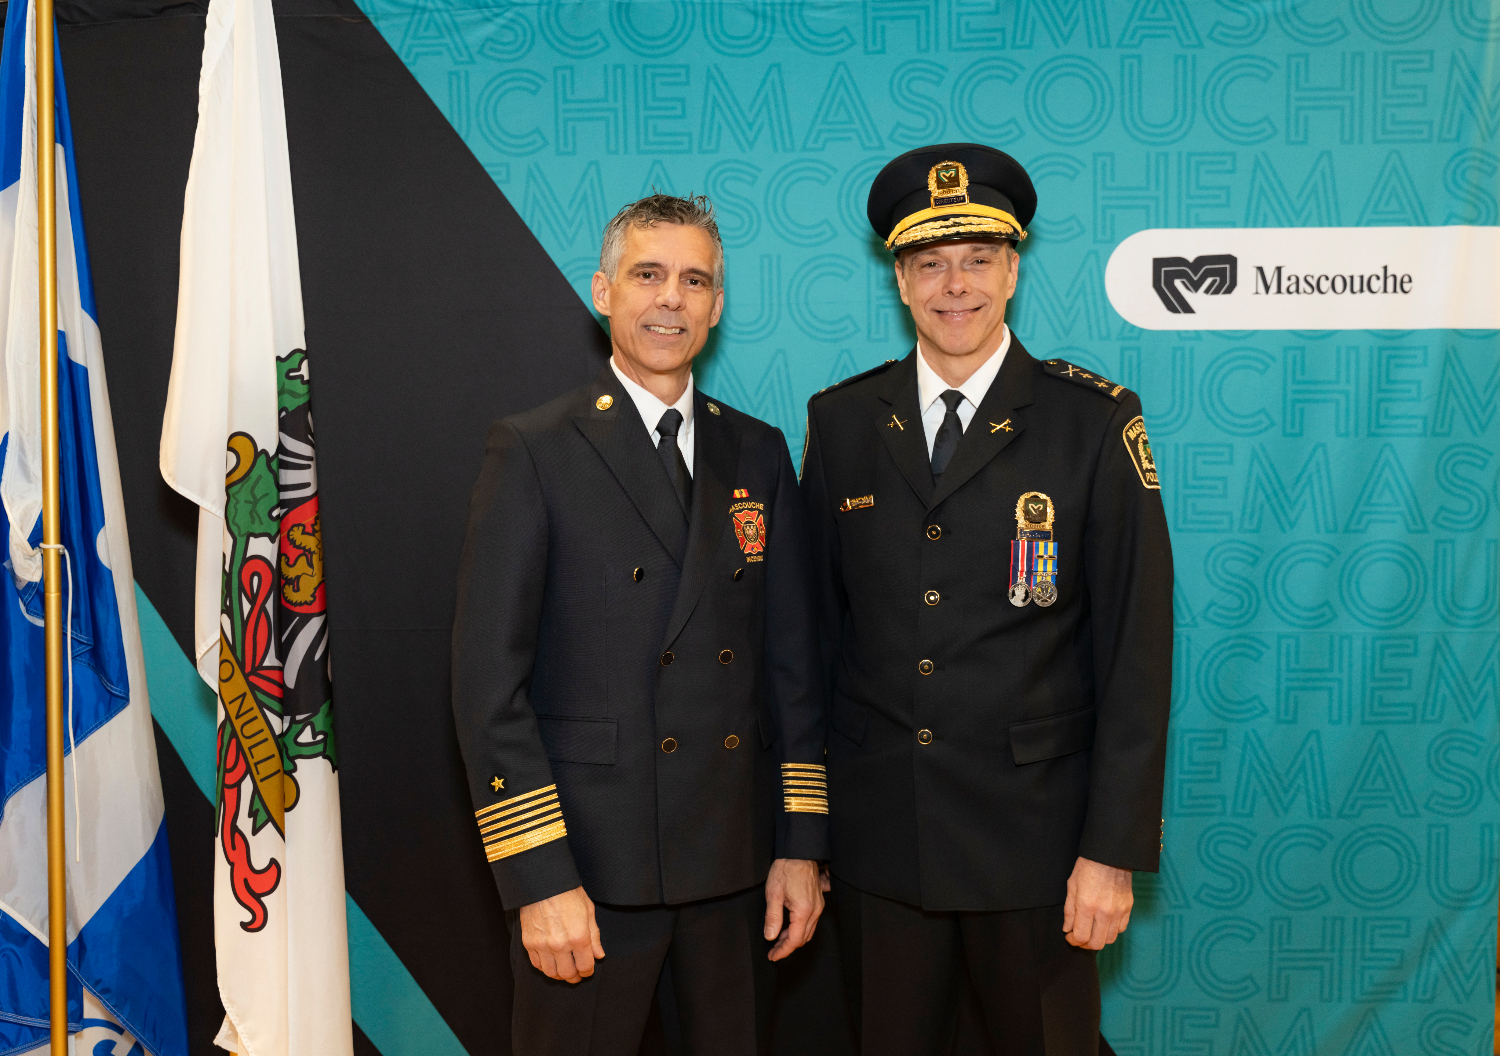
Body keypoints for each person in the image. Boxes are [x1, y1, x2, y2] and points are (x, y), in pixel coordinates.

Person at [799, 144, 1172, 1055]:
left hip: (1037, 846)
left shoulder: (1094, 421)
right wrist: (803, 835)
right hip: (881, 845)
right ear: (899, 279)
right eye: (930, 263)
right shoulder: (841, 423)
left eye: (977, 259)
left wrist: (1111, 850)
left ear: (1012, 270)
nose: (954, 285)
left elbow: (1137, 648)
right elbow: (808, 645)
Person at [452, 193, 827, 1055]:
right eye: (648, 274)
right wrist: (538, 877)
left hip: (733, 870)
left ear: (717, 306)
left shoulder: (758, 451)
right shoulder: (536, 448)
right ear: (604, 292)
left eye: (694, 281)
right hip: (589, 873)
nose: (670, 299)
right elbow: (487, 687)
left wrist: (800, 845)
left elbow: (793, 670)